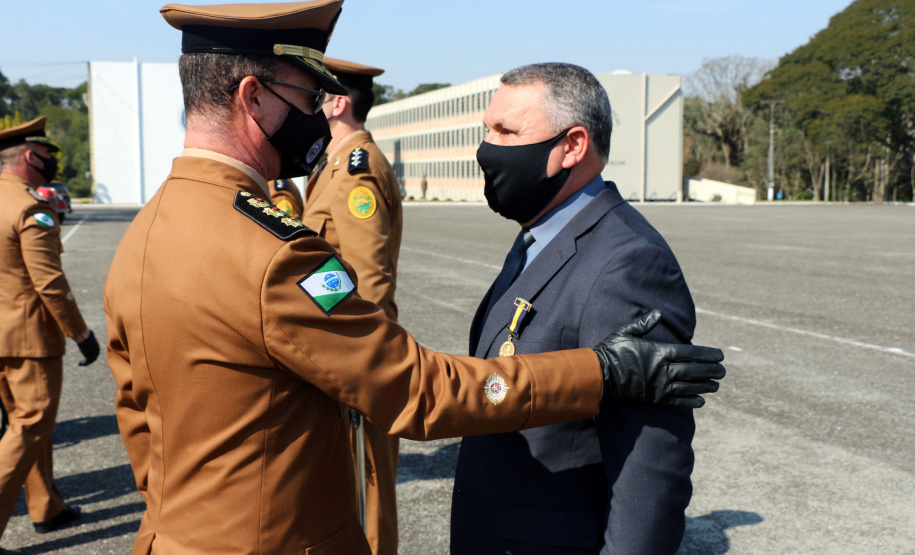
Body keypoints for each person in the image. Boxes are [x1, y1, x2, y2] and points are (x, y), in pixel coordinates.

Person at [104, 3, 725, 552]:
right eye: (302, 99)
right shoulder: (274, 253)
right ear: (252, 97)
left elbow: (135, 407)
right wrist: (603, 371)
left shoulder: (148, 228)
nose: (317, 118)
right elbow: (417, 390)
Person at [450, 63, 708, 555]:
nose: (487, 148)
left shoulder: (628, 264)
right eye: (487, 130)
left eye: (507, 131)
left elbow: (649, 469)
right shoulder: (539, 237)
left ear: (572, 146)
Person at [302, 56, 401, 555]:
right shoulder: (332, 165)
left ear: (338, 103)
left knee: (369, 488)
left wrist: (367, 363)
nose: (306, 107)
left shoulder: (356, 171)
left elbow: (370, 278)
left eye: (314, 98)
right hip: (335, 347)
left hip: (359, 353)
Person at [0, 117, 100, 540]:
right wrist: (81, 333)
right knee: (30, 426)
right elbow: (49, 283)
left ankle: (47, 507)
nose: (50, 164)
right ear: (29, 156)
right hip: (28, 339)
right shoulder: (29, 207)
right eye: (46, 156)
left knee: (25, 423)